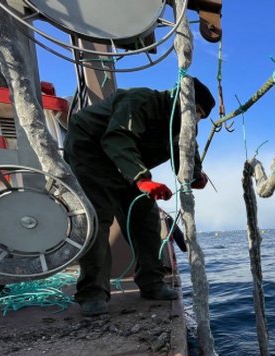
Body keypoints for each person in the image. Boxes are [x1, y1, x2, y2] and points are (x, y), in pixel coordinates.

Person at [64, 77, 215, 316]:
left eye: (201, 117)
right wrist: (142, 179)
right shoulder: (140, 99)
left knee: (145, 220)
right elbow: (117, 137)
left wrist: (195, 176)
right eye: (196, 111)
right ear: (182, 99)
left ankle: (152, 283)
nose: (196, 119)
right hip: (91, 152)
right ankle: (92, 293)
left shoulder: (183, 125)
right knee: (98, 218)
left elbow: (186, 151)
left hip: (131, 165)